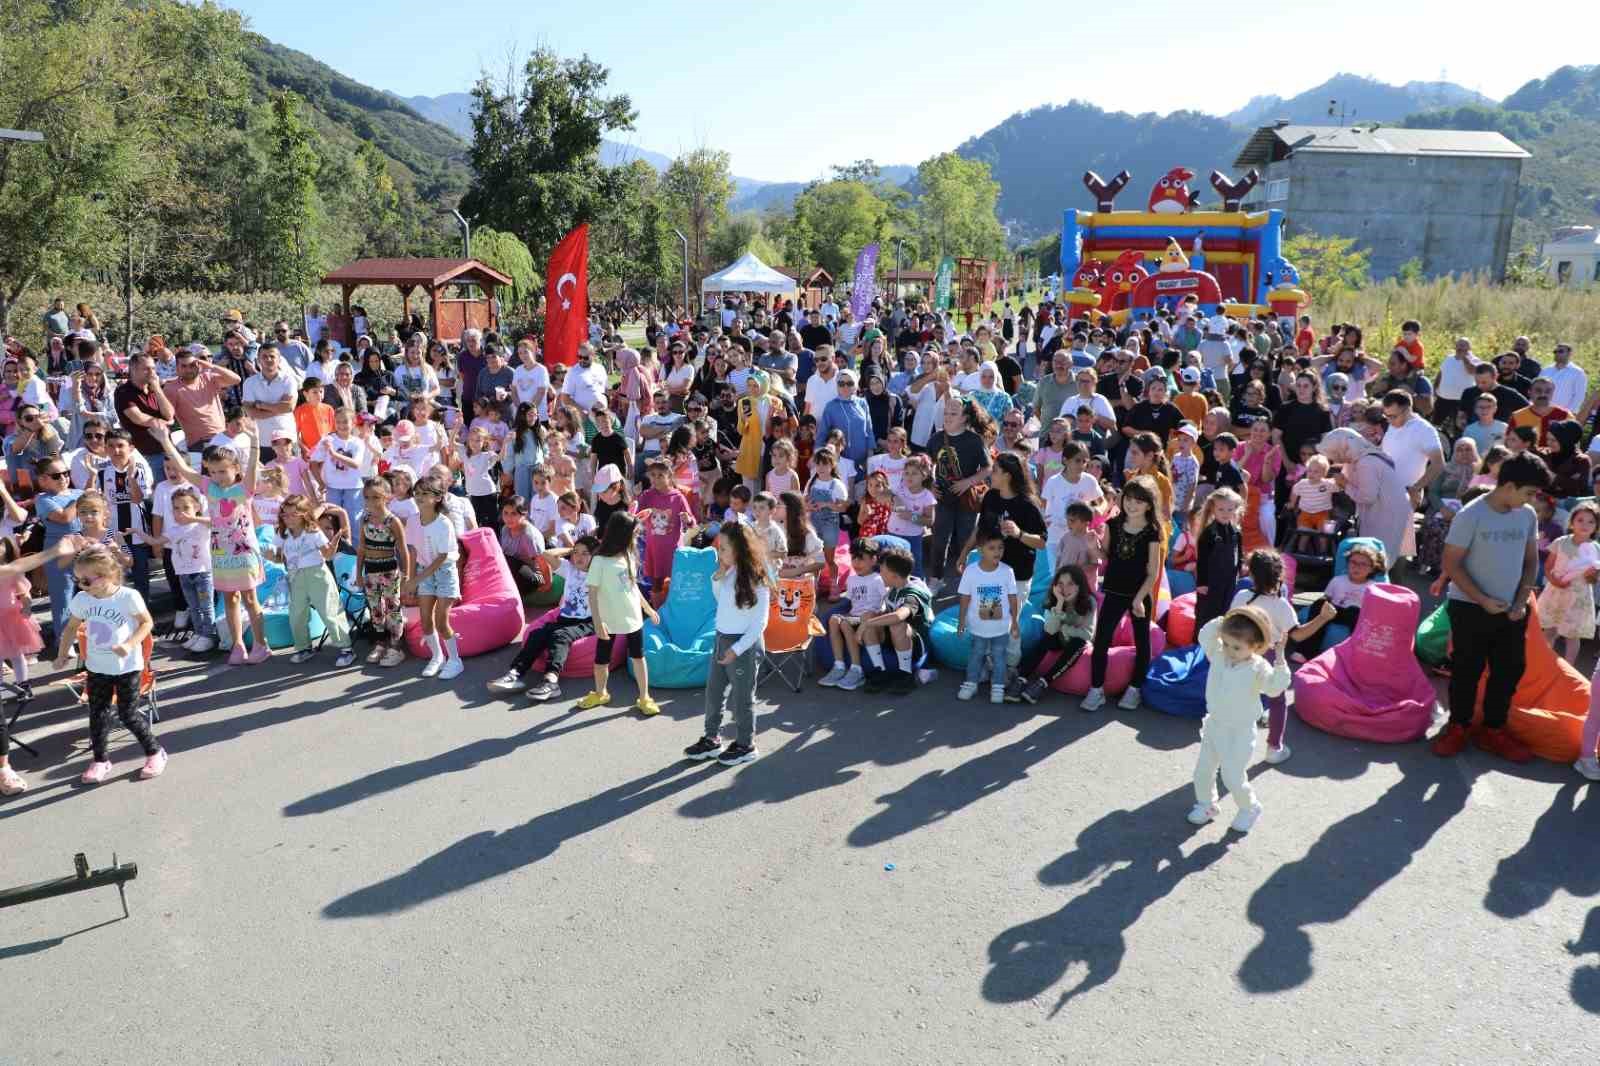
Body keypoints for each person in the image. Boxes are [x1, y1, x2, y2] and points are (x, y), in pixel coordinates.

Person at [1433, 452, 1552, 762]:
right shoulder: (1470, 515)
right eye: (1528, 492)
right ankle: (1458, 727)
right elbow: (1451, 563)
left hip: (1512, 610)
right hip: (1469, 607)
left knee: (1509, 669)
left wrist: (1521, 598)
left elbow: (1530, 561)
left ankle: (1493, 730)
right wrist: (1483, 600)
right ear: (1509, 485)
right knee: (1465, 669)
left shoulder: (1526, 514)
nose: (1531, 499)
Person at [151, 423, 269, 663]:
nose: (218, 477)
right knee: (229, 599)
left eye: (223, 471)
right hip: (219, 553)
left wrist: (255, 440)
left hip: (244, 553)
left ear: (235, 468)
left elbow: (252, 465)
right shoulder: (208, 487)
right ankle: (237, 645)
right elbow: (183, 468)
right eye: (213, 472)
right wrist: (166, 441)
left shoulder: (244, 488)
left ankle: (261, 644)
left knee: (249, 598)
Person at [55, 545, 168, 785]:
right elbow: (72, 628)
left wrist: (129, 644)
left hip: (127, 667)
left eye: (85, 580)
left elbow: (147, 624)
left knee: (128, 715)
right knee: (98, 714)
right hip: (96, 667)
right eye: (77, 580)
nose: (81, 585)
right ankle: (100, 760)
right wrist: (62, 654)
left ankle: (155, 752)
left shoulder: (128, 597)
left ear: (106, 576)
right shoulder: (83, 599)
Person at [1187, 606, 1291, 833]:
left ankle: (1250, 807)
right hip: (1214, 725)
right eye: (1226, 643)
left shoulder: (1258, 667)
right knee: (1203, 772)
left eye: (1237, 647)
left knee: (1232, 776)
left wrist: (1281, 660)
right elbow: (1205, 634)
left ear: (1255, 646)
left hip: (1240, 732)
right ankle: (1207, 805)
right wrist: (1227, 618)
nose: (1230, 650)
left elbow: (1274, 688)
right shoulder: (1218, 654)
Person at [683, 523, 772, 767]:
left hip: (743, 646)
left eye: (724, 549)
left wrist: (738, 649)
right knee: (714, 693)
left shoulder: (757, 578)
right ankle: (712, 738)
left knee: (742, 699)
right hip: (721, 638)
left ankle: (746, 744)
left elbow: (760, 623)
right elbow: (721, 600)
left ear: (740, 549)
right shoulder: (729, 571)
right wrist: (717, 577)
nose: (719, 552)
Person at [1082, 476, 1164, 712]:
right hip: (1114, 591)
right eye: (1128, 498)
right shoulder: (1113, 524)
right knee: (1102, 640)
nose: (1132, 504)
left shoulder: (1152, 531)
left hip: (1140, 594)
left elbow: (1153, 573)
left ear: (1149, 504)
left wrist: (1139, 599)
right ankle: (1096, 689)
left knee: (1142, 641)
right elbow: (1106, 557)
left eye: (1139, 501)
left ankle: (1135, 688)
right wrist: (1092, 547)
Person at [491, 534, 597, 701]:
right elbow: (547, 554)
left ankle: (551, 682)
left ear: (594, 556)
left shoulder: (598, 574)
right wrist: (571, 549)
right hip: (565, 618)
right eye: (577, 552)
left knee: (560, 636)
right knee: (537, 633)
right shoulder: (568, 568)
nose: (579, 556)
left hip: (588, 621)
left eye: (585, 553)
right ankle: (515, 673)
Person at [581, 511, 662, 715]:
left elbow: (633, 587)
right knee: (601, 660)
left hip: (633, 618)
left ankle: (644, 697)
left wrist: (648, 608)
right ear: (622, 534)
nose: (636, 538)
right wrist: (598, 623)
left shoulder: (628, 556)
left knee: (638, 657)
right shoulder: (599, 560)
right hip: (608, 620)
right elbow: (592, 594)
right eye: (633, 534)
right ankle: (601, 693)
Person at [267, 494, 354, 667]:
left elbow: (328, 555)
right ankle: (304, 648)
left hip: (317, 576)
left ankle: (346, 649)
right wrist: (272, 557)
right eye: (285, 514)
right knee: (297, 614)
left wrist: (335, 542)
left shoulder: (313, 532)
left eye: (293, 514)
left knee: (329, 612)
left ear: (304, 514)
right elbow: (280, 558)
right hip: (295, 577)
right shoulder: (281, 533)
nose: (288, 518)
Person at [1316, 428, 1411, 569]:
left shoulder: (1366, 463)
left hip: (1386, 514)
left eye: (1335, 453)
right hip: (1388, 510)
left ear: (1344, 448)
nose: (1335, 459)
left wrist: (1344, 484)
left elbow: (1367, 497)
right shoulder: (1362, 458)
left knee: (1376, 559)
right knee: (1377, 557)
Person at [927, 396, 993, 589]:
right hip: (943, 499)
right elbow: (926, 464)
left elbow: (987, 468)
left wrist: (967, 482)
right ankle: (936, 579)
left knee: (966, 541)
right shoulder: (936, 438)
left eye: (953, 413)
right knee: (939, 540)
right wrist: (930, 484)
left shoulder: (974, 440)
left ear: (965, 418)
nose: (947, 416)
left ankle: (969, 580)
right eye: (946, 412)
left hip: (967, 500)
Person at [141, 487, 217, 654]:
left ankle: (209, 635)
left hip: (202, 574)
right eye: (176, 508)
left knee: (206, 606)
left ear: (197, 507)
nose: (181, 512)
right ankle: (198, 633)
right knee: (193, 606)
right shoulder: (174, 530)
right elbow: (155, 541)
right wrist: (138, 532)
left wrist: (194, 518)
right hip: (183, 575)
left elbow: (214, 522)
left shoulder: (200, 526)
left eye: (186, 508)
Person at [1007, 563, 1095, 705]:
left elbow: (1088, 634)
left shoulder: (1089, 601)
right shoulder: (1053, 600)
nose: (1065, 589)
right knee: (1046, 639)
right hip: (1058, 638)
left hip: (1076, 643)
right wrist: (1059, 603)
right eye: (1060, 584)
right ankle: (1021, 678)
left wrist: (1066, 629)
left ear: (1080, 585)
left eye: (1070, 584)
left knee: (1078, 642)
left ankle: (1043, 683)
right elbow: (1051, 630)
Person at [404, 479, 463, 680]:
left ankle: (455, 660)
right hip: (423, 570)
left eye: (425, 493)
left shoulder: (444, 523)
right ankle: (437, 657)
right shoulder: (412, 521)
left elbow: (442, 557)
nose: (419, 497)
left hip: (444, 571)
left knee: (441, 619)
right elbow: (412, 551)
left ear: (437, 498)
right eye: (417, 493)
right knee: (426, 619)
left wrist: (417, 579)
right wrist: (410, 578)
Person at [956, 525, 1020, 705]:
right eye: (992, 548)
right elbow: (965, 597)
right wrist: (961, 621)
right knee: (976, 654)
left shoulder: (1007, 571)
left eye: (1000, 547)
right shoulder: (971, 571)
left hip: (1000, 627)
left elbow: (1013, 598)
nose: (997, 552)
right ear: (980, 549)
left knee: (1000, 656)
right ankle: (971, 683)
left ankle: (998, 686)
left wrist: (1015, 622)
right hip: (978, 626)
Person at [818, 538, 888, 691]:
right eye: (854, 558)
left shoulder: (877, 579)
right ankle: (839, 666)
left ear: (873, 560)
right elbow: (848, 600)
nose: (856, 563)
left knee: (844, 622)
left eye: (861, 559)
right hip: (854, 617)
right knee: (833, 619)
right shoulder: (852, 579)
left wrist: (877, 613)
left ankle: (857, 669)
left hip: (870, 621)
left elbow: (885, 601)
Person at [1535, 501, 1600, 664]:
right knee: (1549, 630)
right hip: (1556, 592)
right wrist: (1555, 581)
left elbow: (1593, 579)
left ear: (1596, 527)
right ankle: (1543, 661)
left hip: (1578, 597)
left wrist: (1592, 575)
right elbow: (1548, 567)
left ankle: (1567, 667)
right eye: (1580, 520)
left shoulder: (1595, 548)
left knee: (1572, 635)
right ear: (1571, 522)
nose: (1585, 524)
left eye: (1591, 521)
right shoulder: (1561, 542)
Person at [1194, 488, 1244, 629]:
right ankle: (1199, 644)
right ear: (1213, 509)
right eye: (1221, 509)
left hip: (1229, 582)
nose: (1225, 513)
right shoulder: (1209, 533)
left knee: (1224, 614)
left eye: (1230, 509)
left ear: (1236, 509)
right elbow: (1202, 561)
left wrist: (1240, 570)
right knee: (1206, 615)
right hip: (1211, 583)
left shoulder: (1236, 532)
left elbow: (1239, 555)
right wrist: (1202, 583)